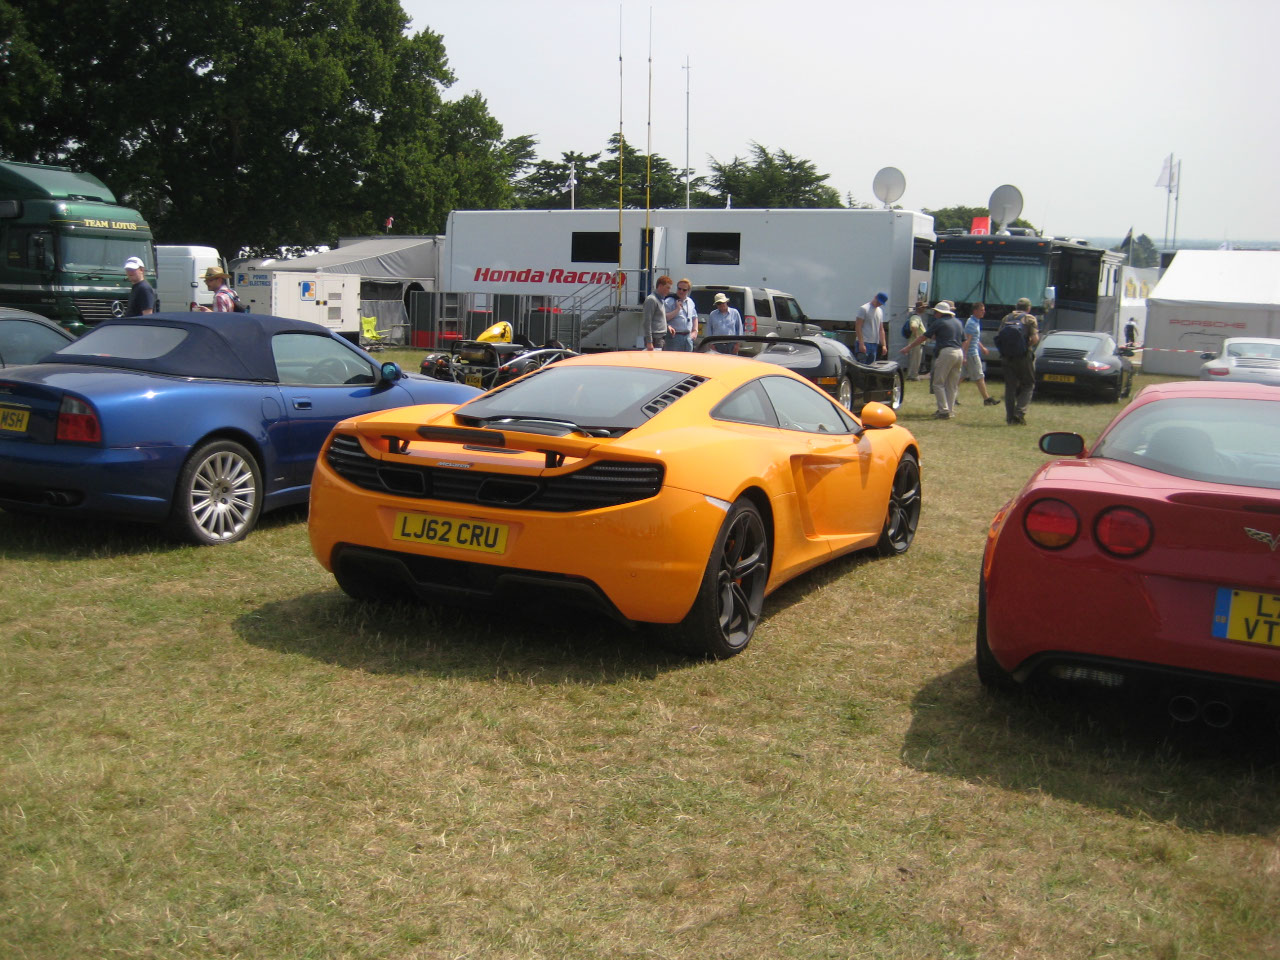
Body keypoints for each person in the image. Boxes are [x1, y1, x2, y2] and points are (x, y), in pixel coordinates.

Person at [901, 300, 964, 419]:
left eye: (936, 312)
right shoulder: (958, 322)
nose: (934, 314)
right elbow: (963, 340)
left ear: (941, 313)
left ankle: (943, 410)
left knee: (938, 383)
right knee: (951, 384)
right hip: (959, 352)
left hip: (947, 352)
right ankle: (950, 410)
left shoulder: (939, 322)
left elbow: (923, 337)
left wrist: (908, 347)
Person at [997, 297, 1040, 425]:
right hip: (1023, 356)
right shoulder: (1030, 318)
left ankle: (1010, 417)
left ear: (1016, 307)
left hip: (1006, 357)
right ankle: (1019, 413)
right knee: (1028, 384)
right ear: (1028, 308)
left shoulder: (1006, 318)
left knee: (1010, 387)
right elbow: (1035, 339)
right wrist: (1026, 347)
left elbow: (999, 336)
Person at [961, 302, 999, 406]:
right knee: (980, 376)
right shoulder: (971, 323)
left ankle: (949, 395)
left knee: (962, 376)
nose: (984, 312)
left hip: (973, 352)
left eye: (984, 310)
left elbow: (975, 338)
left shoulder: (975, 321)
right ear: (975, 311)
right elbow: (967, 341)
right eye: (982, 310)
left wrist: (982, 348)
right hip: (971, 354)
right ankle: (987, 399)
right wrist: (964, 356)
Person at [664, 278, 697, 351]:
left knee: (686, 361)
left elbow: (694, 317)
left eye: (684, 290)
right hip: (674, 337)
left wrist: (695, 331)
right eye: (679, 289)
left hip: (688, 337)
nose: (681, 291)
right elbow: (663, 318)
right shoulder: (669, 301)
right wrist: (677, 309)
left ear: (688, 291)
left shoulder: (690, 302)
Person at [855, 291, 888, 363]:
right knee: (862, 366)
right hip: (865, 342)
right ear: (875, 297)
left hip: (874, 343)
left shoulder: (880, 311)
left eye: (881, 303)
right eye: (878, 302)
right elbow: (858, 327)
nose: (879, 304)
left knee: (871, 367)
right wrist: (861, 343)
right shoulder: (864, 309)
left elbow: (881, 329)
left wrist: (884, 345)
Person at [642, 275, 672, 350]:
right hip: (655, 338)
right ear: (660, 286)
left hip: (660, 338)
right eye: (667, 288)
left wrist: (667, 326)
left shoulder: (661, 300)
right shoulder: (652, 300)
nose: (669, 291)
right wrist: (649, 342)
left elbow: (659, 317)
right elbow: (647, 322)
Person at [905, 299, 928, 380]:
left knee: (915, 360)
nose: (925, 309)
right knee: (915, 360)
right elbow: (914, 326)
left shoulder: (917, 316)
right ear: (920, 308)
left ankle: (912, 375)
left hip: (915, 343)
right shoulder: (915, 317)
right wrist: (917, 337)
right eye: (923, 307)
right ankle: (912, 376)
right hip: (916, 343)